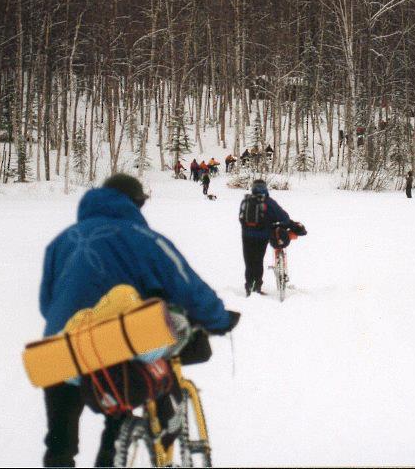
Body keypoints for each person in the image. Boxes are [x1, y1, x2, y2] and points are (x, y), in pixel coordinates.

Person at [39, 173, 240, 467]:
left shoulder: (61, 242)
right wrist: (218, 320)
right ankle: (113, 452)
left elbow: (48, 303)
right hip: (114, 346)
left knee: (59, 444)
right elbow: (186, 285)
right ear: (134, 204)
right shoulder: (144, 239)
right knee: (121, 398)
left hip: (61, 348)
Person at [239, 179, 292, 297]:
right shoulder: (268, 202)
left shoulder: (246, 201)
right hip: (261, 237)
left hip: (246, 236)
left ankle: (249, 288)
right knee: (258, 261)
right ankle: (256, 288)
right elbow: (284, 217)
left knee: (249, 262)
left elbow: (241, 218)